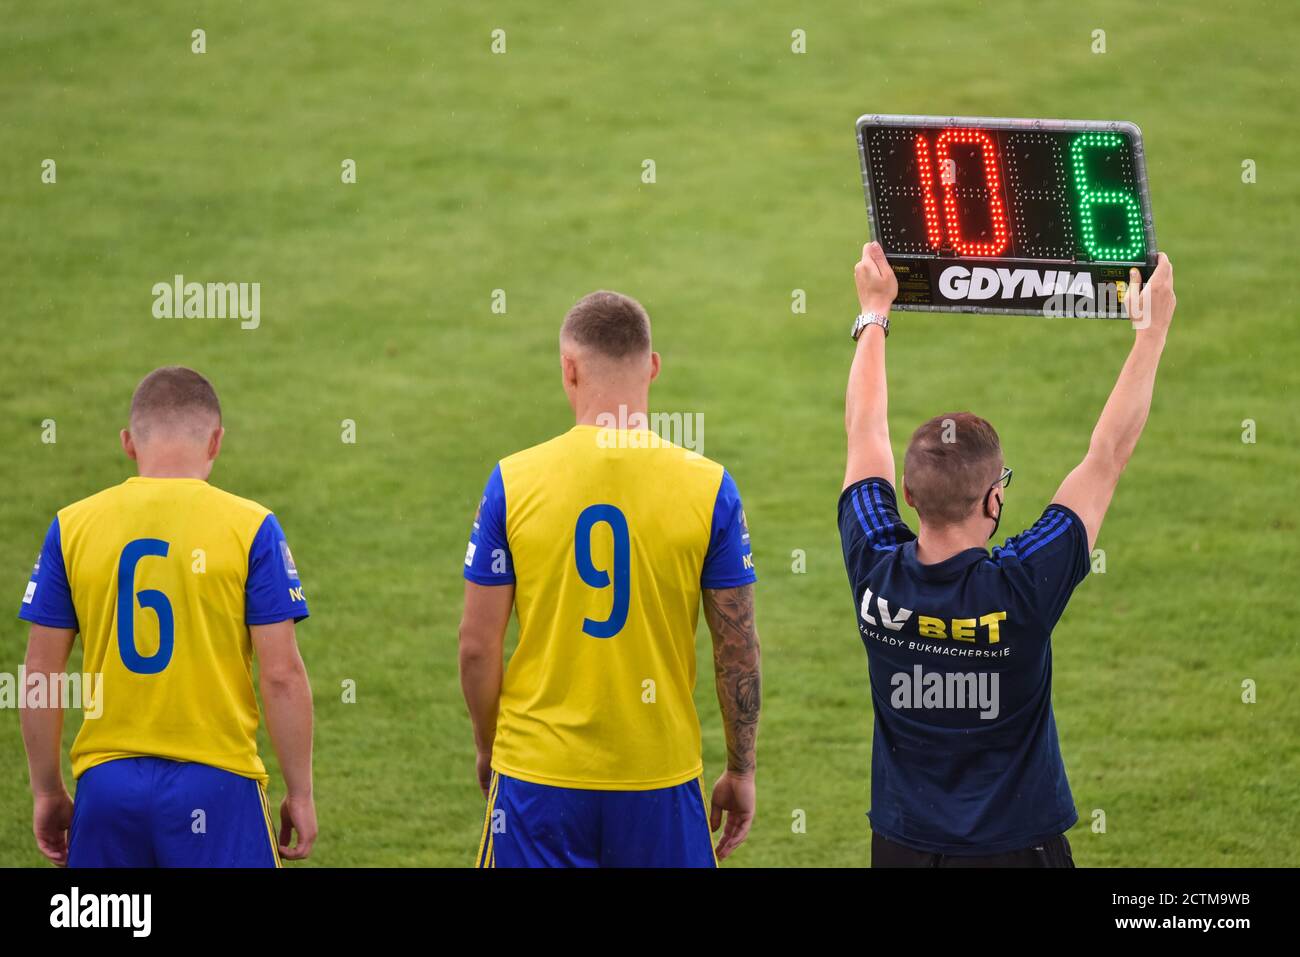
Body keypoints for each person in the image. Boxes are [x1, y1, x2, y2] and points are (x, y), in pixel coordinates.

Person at [840, 242, 1176, 866]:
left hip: (901, 848)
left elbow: (864, 432)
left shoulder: (874, 565)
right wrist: (1149, 337)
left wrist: (874, 313)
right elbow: (1106, 456)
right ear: (993, 499)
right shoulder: (1022, 586)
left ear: (907, 495)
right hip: (1016, 851)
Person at [460, 290, 762, 867]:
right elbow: (737, 648)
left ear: (568, 369)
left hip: (538, 776)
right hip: (659, 777)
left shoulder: (512, 481)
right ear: (652, 366)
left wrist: (487, 744)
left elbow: (477, 646)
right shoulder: (709, 486)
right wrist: (741, 769)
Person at [18, 366, 317, 867]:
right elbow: (282, 675)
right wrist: (301, 793)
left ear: (128, 443)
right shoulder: (252, 527)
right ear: (216, 441)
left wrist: (47, 791)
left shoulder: (71, 526)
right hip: (218, 785)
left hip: (107, 789)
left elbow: (40, 674)